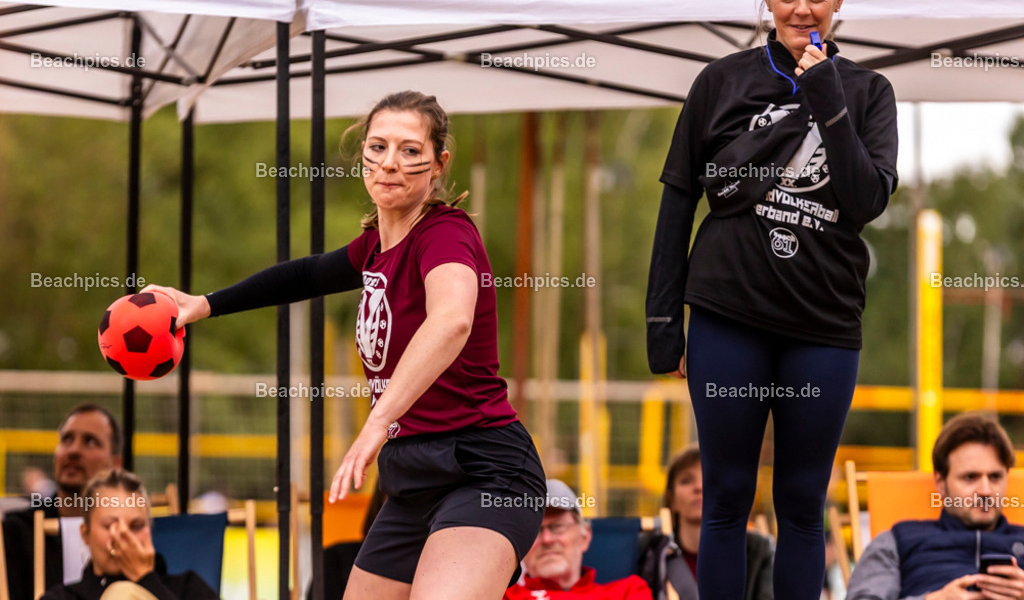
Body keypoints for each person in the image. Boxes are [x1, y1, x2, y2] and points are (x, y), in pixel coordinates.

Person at [145, 90, 546, 600]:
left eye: (409, 150)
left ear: (440, 162)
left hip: (484, 471)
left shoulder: (445, 234)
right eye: (377, 147)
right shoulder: (375, 248)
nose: (390, 163)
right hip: (410, 479)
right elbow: (306, 274)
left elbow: (451, 323)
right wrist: (204, 304)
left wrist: (377, 423)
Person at [645, 0, 898, 598]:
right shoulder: (719, 82)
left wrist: (826, 98)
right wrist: (662, 319)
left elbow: (864, 198)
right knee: (726, 495)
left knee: (801, 503)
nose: (802, 9)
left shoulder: (870, 92)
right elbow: (677, 201)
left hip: (823, 325)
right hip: (730, 314)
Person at [847, 412, 1024, 599]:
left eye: (995, 477)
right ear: (940, 482)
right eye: (970, 477)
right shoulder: (899, 541)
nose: (986, 491)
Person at [40, 467, 217, 600]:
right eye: (110, 525)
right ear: (85, 535)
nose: (123, 535)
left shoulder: (186, 589)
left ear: (150, 531)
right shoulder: (61, 598)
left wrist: (147, 580)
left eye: (136, 526)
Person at [3, 403, 123, 600]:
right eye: (67, 440)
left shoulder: (134, 536)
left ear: (116, 464)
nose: (74, 450)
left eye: (90, 441)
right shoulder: (15, 534)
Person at [504, 479, 653, 600]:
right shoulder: (501, 596)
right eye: (535, 531)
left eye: (557, 526)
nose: (547, 539)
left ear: (585, 536)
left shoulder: (626, 593)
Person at [661, 447, 774, 600]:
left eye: (710, 479)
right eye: (686, 480)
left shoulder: (760, 551)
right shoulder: (651, 552)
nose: (699, 487)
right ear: (670, 498)